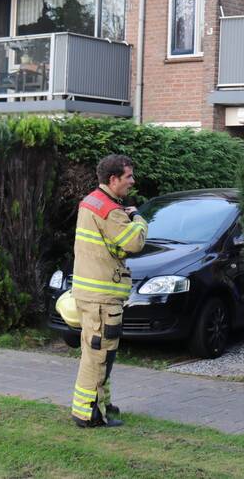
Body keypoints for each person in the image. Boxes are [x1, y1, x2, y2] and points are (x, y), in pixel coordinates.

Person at [69, 154, 148, 428]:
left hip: (88, 294)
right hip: (102, 299)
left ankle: (101, 405)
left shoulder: (91, 201)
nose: (132, 181)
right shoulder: (111, 210)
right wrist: (138, 217)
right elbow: (135, 242)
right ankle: (88, 414)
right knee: (100, 355)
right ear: (113, 180)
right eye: (128, 176)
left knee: (98, 353)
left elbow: (108, 245)